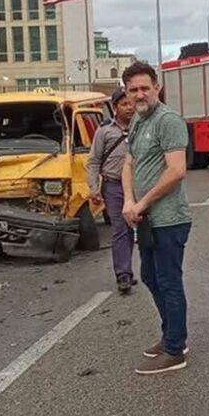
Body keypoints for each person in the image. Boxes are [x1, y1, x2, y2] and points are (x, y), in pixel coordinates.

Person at [121, 62, 192, 375]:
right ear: (126, 92)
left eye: (144, 88)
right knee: (150, 277)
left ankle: (175, 350)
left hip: (169, 218)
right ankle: (171, 335)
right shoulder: (138, 120)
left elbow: (176, 171)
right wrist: (128, 201)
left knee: (168, 281)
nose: (140, 95)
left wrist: (143, 202)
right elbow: (129, 164)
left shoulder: (168, 120)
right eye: (133, 90)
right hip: (145, 218)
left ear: (157, 87)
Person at [88, 88, 135, 294]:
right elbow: (94, 161)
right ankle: (123, 274)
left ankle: (132, 269)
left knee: (135, 229)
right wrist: (94, 188)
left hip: (139, 186)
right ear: (115, 107)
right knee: (120, 228)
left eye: (131, 104)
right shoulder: (104, 131)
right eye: (124, 104)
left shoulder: (141, 127)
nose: (129, 108)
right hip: (114, 186)